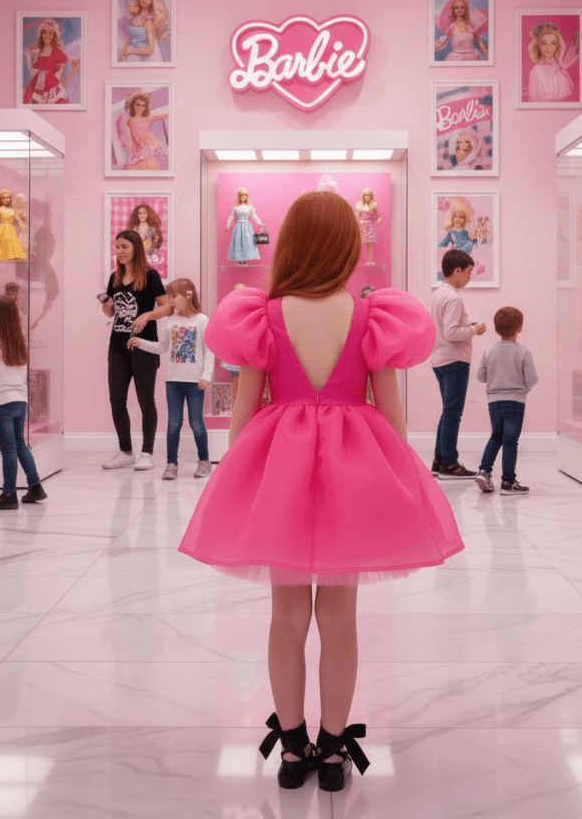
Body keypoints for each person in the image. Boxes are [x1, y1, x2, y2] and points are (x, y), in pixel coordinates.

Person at [180, 190, 463, 793]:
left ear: (288, 246)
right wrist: (401, 473)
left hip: (279, 468)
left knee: (285, 617)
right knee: (341, 617)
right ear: (348, 245)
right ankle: (333, 751)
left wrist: (238, 474)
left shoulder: (263, 315)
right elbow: (389, 414)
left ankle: (291, 747)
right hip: (353, 473)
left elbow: (244, 412)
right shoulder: (369, 315)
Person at [129, 277, 214, 480]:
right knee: (174, 423)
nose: (170, 301)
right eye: (169, 296)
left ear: (188, 295)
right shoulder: (170, 321)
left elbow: (209, 351)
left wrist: (206, 376)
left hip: (195, 383)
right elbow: (161, 348)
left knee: (196, 423)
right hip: (173, 382)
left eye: (173, 296)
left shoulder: (202, 321)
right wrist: (140, 342)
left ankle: (204, 461)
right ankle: (171, 464)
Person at [101, 229, 169, 471]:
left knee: (145, 400)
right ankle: (126, 451)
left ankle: (147, 453)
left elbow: (167, 307)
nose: (119, 251)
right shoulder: (114, 278)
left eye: (124, 247)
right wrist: (107, 304)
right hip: (117, 346)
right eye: (117, 247)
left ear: (136, 249)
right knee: (116, 399)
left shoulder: (150, 276)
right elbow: (111, 312)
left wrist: (148, 315)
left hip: (144, 346)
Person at [0, 295, 47, 509]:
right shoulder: (19, 343)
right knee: (20, 444)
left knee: (7, 449)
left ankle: (9, 494)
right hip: (19, 400)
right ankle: (35, 487)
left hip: (0, 402)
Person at [430, 248, 485, 478]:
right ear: (457, 270)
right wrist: (475, 329)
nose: (470, 276)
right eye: (469, 272)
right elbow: (452, 332)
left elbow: (445, 328)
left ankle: (439, 459)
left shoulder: (439, 294)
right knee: (453, 414)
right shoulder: (453, 297)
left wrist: (466, 327)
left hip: (440, 359)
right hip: (454, 360)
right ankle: (450, 464)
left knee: (448, 412)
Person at [473, 306, 537, 494]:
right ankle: (508, 482)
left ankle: (484, 471)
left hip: (494, 401)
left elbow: (480, 376)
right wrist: (524, 388)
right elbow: (532, 379)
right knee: (511, 440)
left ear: (496, 328)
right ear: (520, 327)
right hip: (515, 401)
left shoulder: (489, 350)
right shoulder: (523, 352)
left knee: (496, 435)